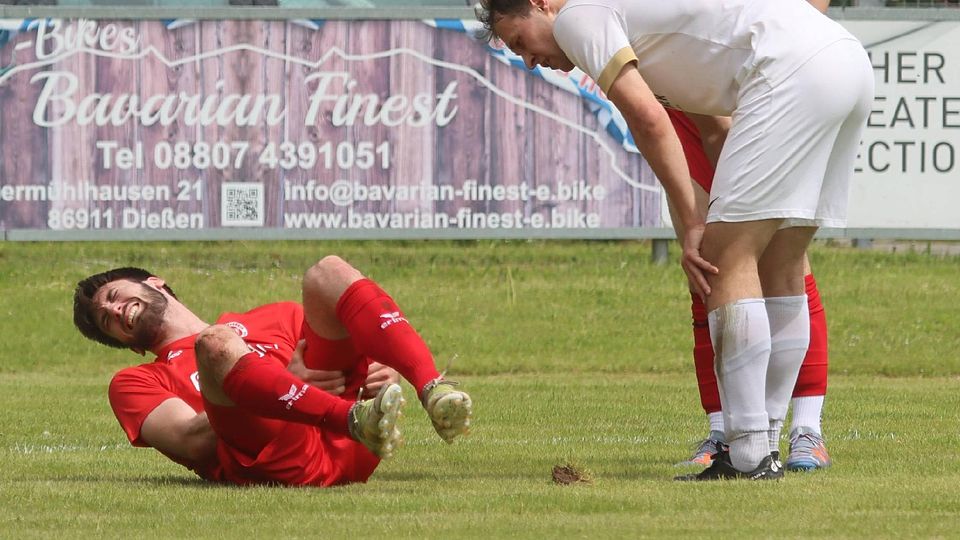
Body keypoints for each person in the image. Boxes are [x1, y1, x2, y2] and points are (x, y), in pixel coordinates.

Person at [478, 0, 872, 480]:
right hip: (847, 63)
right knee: (781, 262)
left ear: (541, 4)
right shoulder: (634, 24)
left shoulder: (575, 18)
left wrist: (693, 227)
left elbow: (647, 120)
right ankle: (766, 443)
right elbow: (713, 130)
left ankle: (747, 455)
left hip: (791, 69)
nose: (528, 60)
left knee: (725, 259)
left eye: (520, 40)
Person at [72, 256, 473, 487]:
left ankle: (433, 387)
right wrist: (281, 384)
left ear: (154, 282)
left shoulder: (274, 317)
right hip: (281, 458)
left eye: (113, 295)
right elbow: (191, 442)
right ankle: (352, 419)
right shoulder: (135, 382)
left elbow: (367, 352)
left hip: (352, 442)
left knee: (327, 272)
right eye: (106, 320)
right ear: (131, 345)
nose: (113, 309)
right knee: (214, 343)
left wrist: (386, 370)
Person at [668, 109, 832, 472]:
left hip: (753, 123)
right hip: (683, 125)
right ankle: (722, 431)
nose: (530, 60)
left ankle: (806, 429)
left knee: (785, 261)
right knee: (705, 271)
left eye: (521, 46)